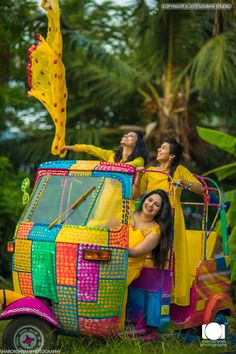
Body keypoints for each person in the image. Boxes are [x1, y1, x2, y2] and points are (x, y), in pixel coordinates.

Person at [132, 138, 205, 306]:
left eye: (163, 148)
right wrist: (138, 177)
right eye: (160, 147)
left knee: (172, 255)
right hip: (150, 217)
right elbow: (136, 195)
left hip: (172, 218)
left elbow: (201, 189)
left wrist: (184, 183)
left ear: (171, 155)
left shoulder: (179, 170)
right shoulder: (150, 171)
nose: (159, 149)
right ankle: (143, 289)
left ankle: (170, 295)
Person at [120, 189, 173, 330]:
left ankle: (114, 325)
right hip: (111, 257)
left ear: (160, 211)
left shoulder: (155, 230)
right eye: (149, 200)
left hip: (130, 265)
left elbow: (137, 252)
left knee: (116, 282)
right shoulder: (127, 214)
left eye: (156, 204)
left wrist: (116, 248)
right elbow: (107, 224)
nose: (150, 205)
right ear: (144, 200)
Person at [60, 131, 148, 167]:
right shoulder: (111, 155)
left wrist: (103, 166)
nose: (126, 136)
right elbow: (90, 148)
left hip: (122, 198)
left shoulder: (139, 160)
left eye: (131, 136)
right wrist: (66, 147)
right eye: (126, 134)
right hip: (106, 194)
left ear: (137, 143)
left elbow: (127, 167)